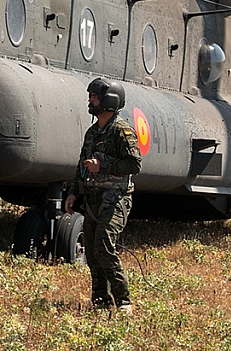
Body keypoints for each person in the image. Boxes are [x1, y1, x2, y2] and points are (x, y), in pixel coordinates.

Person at [65, 78, 142, 313]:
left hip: (115, 198)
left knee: (104, 248)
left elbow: (134, 164)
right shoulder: (91, 133)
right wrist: (73, 193)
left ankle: (123, 302)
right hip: (92, 199)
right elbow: (82, 166)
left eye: (94, 97)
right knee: (91, 252)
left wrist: (103, 165)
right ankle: (100, 302)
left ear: (108, 100)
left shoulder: (122, 131)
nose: (90, 101)